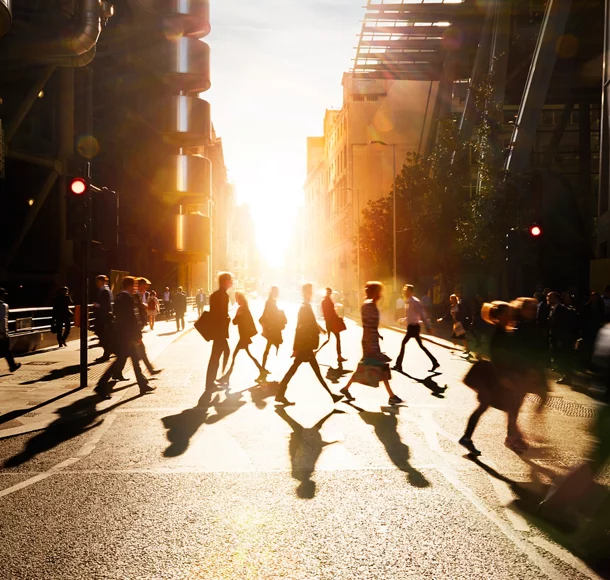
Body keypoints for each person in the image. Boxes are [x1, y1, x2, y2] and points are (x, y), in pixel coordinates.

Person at [459, 302, 526, 456]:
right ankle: (511, 439)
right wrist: (504, 378)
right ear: (500, 316)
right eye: (508, 313)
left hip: (493, 375)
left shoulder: (504, 331)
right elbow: (497, 358)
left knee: (494, 405)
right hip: (491, 376)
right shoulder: (498, 333)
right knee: (508, 404)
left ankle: (467, 437)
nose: (511, 316)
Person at [275, 283, 343, 406]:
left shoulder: (306, 307)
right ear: (306, 293)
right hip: (305, 346)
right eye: (310, 292)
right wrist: (296, 348)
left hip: (305, 346)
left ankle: (280, 394)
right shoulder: (304, 307)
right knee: (314, 372)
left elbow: (311, 322)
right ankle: (332, 396)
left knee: (294, 369)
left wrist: (320, 329)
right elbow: (299, 328)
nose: (311, 294)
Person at [340, 282, 403, 406]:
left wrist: (377, 334)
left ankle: (346, 388)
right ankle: (391, 396)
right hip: (370, 341)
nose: (381, 294)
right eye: (379, 291)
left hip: (371, 339)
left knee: (366, 365)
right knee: (380, 366)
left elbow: (369, 325)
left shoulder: (369, 304)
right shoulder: (369, 305)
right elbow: (369, 325)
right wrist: (373, 340)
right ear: (375, 292)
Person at [95, 276, 155, 398]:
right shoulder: (126, 298)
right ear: (130, 286)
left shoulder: (119, 297)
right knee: (120, 361)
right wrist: (136, 335)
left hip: (124, 334)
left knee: (134, 360)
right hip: (127, 335)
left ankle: (142, 384)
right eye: (134, 286)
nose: (135, 288)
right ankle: (101, 386)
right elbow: (130, 319)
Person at [219, 292, 265, 384]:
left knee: (234, 356)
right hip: (244, 336)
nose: (236, 300)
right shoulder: (245, 308)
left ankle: (226, 378)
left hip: (243, 337)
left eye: (236, 298)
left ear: (240, 299)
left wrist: (237, 316)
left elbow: (235, 322)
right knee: (249, 355)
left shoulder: (242, 309)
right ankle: (262, 370)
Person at [393, 284, 439, 373]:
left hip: (414, 327)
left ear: (410, 291)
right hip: (412, 326)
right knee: (421, 346)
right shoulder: (408, 301)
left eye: (406, 290)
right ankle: (434, 361)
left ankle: (398, 364)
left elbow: (422, 315)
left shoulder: (415, 302)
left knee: (404, 343)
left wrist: (428, 326)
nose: (404, 292)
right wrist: (403, 320)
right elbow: (410, 315)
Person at [205, 273, 233, 392]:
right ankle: (215, 381)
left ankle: (214, 381)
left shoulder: (215, 295)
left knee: (218, 355)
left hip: (217, 330)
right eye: (230, 281)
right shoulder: (223, 295)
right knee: (218, 355)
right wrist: (227, 318)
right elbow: (221, 314)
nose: (231, 283)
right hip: (220, 331)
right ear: (225, 281)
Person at [548, 292, 578, 385]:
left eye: (550, 298)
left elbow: (563, 325)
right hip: (557, 337)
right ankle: (566, 375)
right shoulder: (554, 308)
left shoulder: (561, 309)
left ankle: (567, 376)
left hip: (562, 339)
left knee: (564, 358)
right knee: (561, 358)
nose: (548, 300)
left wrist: (561, 339)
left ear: (556, 299)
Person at [259, 286, 287, 373]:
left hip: (272, 327)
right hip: (272, 328)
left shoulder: (271, 301)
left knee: (268, 347)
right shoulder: (270, 302)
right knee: (268, 347)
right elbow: (269, 313)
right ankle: (262, 368)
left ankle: (263, 367)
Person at [317, 287, 347, 364]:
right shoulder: (326, 301)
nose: (329, 293)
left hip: (329, 322)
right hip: (331, 322)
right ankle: (339, 356)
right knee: (335, 338)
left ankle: (316, 352)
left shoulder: (325, 300)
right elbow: (330, 313)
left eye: (330, 292)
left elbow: (328, 312)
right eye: (328, 292)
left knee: (331, 338)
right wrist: (337, 318)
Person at [93, 274, 114, 362]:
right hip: (104, 316)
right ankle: (108, 352)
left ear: (101, 281)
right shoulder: (105, 290)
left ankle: (108, 353)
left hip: (104, 317)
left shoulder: (104, 291)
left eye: (97, 281)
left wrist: (97, 305)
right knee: (104, 335)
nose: (96, 283)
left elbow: (106, 304)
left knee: (104, 335)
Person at [0, 288, 21, 372]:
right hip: (1, 330)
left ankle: (12, 365)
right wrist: (4, 331)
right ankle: (12, 365)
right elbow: (3, 319)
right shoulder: (3, 306)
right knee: (6, 349)